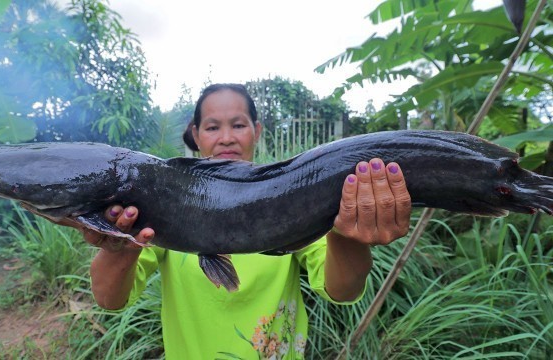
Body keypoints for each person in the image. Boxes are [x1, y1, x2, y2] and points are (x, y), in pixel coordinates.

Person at [79, 83, 412, 359]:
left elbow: (343, 289)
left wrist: (347, 233)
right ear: (196, 135)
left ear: (257, 130)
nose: (226, 137)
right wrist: (119, 241)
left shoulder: (289, 196)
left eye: (238, 125)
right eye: (212, 127)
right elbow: (109, 299)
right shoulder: (164, 204)